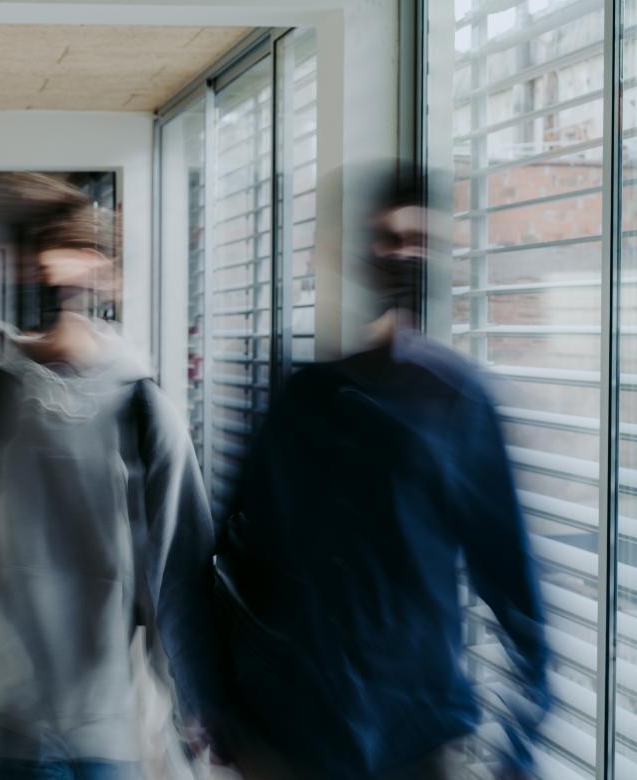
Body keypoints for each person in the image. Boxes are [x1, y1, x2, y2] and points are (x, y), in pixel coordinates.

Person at [214, 164, 549, 779]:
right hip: (294, 731)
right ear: (362, 253)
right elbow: (236, 547)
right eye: (388, 239)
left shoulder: (461, 401)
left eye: (419, 240)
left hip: (415, 737)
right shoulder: (304, 399)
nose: (402, 256)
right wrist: (229, 704)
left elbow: (512, 585)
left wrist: (519, 747)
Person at [0, 174, 226, 780]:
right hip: (12, 720)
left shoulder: (141, 410)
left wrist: (193, 701)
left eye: (73, 259)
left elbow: (180, 573)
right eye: (43, 261)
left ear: (104, 273)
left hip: (103, 722)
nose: (58, 279)